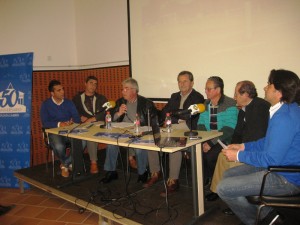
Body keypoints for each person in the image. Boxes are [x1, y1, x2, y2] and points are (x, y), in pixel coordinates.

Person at [217, 69, 300, 225]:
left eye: (269, 85)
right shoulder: (284, 110)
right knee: (228, 175)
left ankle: (259, 220)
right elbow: (267, 142)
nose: (265, 87)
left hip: (286, 178)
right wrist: (242, 146)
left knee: (223, 188)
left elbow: (271, 159)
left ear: (279, 92)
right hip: (277, 167)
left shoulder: (285, 118)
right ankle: (270, 215)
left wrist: (238, 156)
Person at [205, 81, 270, 210]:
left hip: (256, 152)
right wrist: (232, 145)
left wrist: (239, 149)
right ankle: (217, 191)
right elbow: (237, 133)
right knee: (222, 156)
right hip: (245, 147)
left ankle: (235, 197)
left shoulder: (260, 107)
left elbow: (258, 137)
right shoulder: (243, 110)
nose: (234, 97)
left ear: (246, 94)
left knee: (231, 163)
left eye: (236, 94)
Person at [144, 71, 204, 197]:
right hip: (172, 126)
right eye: (179, 81)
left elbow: (189, 115)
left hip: (187, 127)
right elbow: (166, 111)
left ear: (192, 82)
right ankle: (155, 172)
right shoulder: (174, 96)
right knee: (153, 139)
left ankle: (173, 180)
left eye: (185, 81)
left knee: (174, 143)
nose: (182, 84)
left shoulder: (198, 97)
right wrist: (166, 118)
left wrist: (173, 117)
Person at [100, 78, 157, 184]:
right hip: (122, 132)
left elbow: (154, 121)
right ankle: (111, 171)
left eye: (126, 89)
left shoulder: (146, 103)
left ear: (134, 90)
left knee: (140, 148)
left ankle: (142, 173)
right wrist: (118, 114)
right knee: (111, 144)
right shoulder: (120, 102)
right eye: (123, 89)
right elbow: (109, 118)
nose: (122, 91)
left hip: (139, 132)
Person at [197, 76, 238, 188]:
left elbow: (228, 129)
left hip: (224, 140)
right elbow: (200, 124)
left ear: (218, 90)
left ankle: (217, 184)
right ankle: (207, 178)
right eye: (205, 88)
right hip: (208, 138)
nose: (206, 91)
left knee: (211, 156)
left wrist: (210, 143)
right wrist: (205, 140)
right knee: (197, 152)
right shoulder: (206, 103)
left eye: (209, 89)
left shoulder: (230, 103)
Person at [40, 80, 81, 178]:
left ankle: (65, 164)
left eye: (62, 89)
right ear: (52, 93)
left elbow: (77, 118)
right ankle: (68, 164)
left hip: (69, 131)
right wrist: (59, 124)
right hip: (54, 132)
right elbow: (45, 122)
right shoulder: (45, 104)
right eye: (59, 90)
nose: (62, 92)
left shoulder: (68, 103)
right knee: (59, 146)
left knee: (81, 142)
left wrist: (72, 123)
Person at [72, 76, 108, 174]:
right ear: (85, 83)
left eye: (95, 84)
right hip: (83, 125)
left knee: (92, 134)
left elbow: (107, 111)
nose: (93, 86)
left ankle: (93, 162)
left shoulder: (101, 98)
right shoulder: (77, 98)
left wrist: (93, 119)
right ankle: (72, 162)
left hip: (98, 123)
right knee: (87, 135)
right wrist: (80, 117)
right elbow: (72, 111)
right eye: (91, 83)